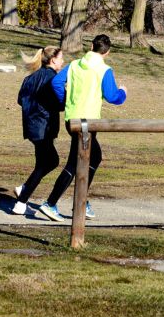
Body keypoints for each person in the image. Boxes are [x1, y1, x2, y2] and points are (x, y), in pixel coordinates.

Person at [38, 34, 127, 221]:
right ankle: (51, 203)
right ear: (107, 52)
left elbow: (55, 82)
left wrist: (66, 100)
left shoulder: (74, 64)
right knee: (75, 163)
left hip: (72, 119)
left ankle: (82, 201)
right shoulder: (104, 69)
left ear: (92, 46)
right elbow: (112, 97)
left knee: (94, 157)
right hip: (88, 123)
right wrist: (123, 93)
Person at [12, 46, 64, 215]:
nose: (63, 61)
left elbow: (21, 99)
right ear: (53, 60)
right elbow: (58, 104)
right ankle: (21, 201)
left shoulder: (31, 78)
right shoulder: (52, 78)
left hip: (32, 126)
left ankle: (24, 190)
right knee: (51, 161)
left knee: (43, 163)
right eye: (61, 58)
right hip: (44, 127)